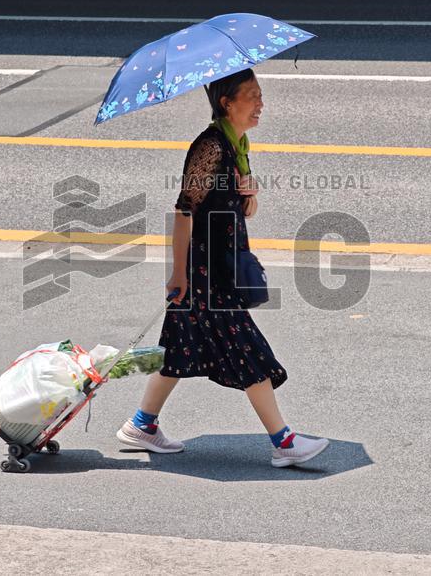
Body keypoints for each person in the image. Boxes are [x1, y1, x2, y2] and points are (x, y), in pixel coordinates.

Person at [116, 68, 330, 468]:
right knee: (248, 350)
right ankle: (284, 443)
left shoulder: (237, 145)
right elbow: (183, 212)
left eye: (261, 94)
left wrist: (248, 194)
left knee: (177, 350)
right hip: (203, 273)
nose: (260, 103)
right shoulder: (210, 147)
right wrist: (178, 274)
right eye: (251, 95)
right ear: (226, 102)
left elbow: (236, 207)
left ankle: (142, 425)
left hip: (220, 266)